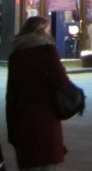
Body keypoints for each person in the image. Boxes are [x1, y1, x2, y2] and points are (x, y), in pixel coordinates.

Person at [6, 16, 76, 169]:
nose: (49, 34)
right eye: (48, 31)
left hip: (22, 117)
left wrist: (11, 128)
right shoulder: (47, 52)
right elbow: (61, 81)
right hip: (45, 116)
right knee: (45, 162)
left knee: (29, 162)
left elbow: (11, 93)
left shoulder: (15, 56)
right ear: (41, 31)